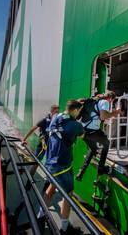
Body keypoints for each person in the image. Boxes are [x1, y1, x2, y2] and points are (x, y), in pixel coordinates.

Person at [40, 100, 84, 234]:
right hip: (62, 166)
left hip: (49, 163)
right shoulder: (75, 125)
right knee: (68, 195)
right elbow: (82, 135)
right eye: (79, 111)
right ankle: (65, 229)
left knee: (51, 187)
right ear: (76, 110)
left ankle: (40, 217)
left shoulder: (55, 117)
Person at [75, 91, 121, 181]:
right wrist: (116, 112)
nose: (111, 103)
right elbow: (103, 117)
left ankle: (81, 171)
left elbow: (97, 116)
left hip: (83, 131)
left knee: (93, 149)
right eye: (112, 101)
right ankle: (101, 169)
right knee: (106, 143)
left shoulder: (95, 100)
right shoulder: (105, 102)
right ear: (110, 98)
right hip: (92, 131)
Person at [22, 104, 59, 175]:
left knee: (52, 164)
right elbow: (33, 129)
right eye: (55, 110)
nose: (57, 112)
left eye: (58, 110)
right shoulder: (44, 120)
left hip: (52, 145)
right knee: (36, 161)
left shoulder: (58, 121)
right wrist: (24, 139)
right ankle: (30, 179)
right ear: (51, 111)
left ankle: (48, 180)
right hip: (43, 144)